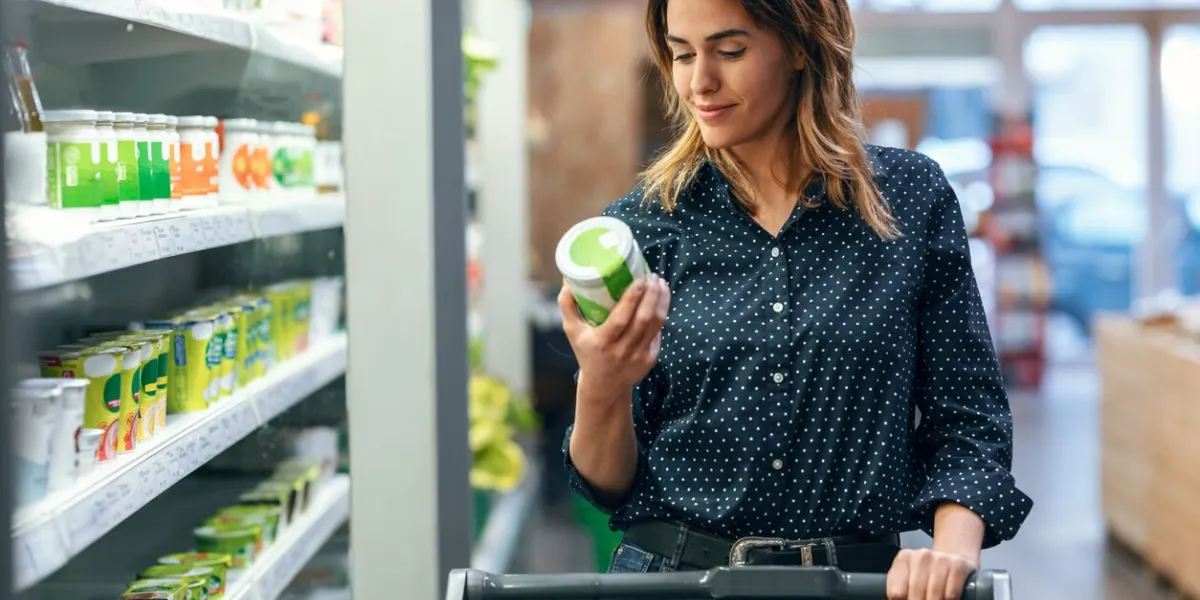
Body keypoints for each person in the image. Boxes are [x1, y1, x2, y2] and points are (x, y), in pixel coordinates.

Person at [556, 0, 1034, 599]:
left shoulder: (909, 200)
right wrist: (602, 382)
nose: (700, 81)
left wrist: (950, 552)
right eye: (682, 55)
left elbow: (968, 416)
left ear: (801, 45)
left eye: (730, 51)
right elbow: (608, 483)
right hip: (675, 579)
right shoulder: (643, 228)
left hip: (859, 583)